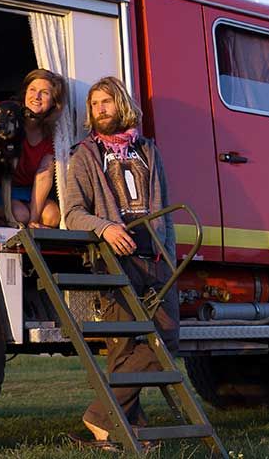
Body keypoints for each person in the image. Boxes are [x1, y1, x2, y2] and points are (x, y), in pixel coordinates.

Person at [62, 76, 178, 444]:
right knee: (124, 345)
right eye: (94, 104)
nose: (100, 109)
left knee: (167, 337)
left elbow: (166, 211)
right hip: (114, 261)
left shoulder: (149, 151)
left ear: (121, 105)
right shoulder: (84, 155)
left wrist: (170, 255)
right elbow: (74, 213)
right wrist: (106, 228)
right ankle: (125, 428)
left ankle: (101, 416)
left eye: (106, 102)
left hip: (156, 257)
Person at [0, 69, 66, 228]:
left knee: (52, 217)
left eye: (44, 93)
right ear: (25, 93)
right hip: (0, 187)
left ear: (53, 101)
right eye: (32, 90)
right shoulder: (8, 116)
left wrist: (34, 220)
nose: (36, 97)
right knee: (21, 215)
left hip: (28, 191)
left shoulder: (54, 131)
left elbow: (44, 175)